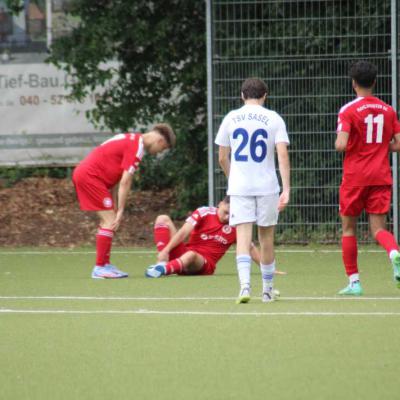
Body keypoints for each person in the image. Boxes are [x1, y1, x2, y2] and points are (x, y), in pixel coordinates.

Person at [214, 77, 290, 303]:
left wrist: (233, 178)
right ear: (265, 95)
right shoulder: (274, 118)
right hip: (267, 186)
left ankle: (245, 287)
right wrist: (286, 188)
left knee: (243, 237)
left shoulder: (231, 117)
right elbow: (282, 154)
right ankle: (267, 290)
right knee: (266, 238)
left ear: (242, 95)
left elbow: (222, 157)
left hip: (240, 187)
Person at [73, 124, 176, 279]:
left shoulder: (132, 139)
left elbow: (115, 179)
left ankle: (104, 264)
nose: (157, 153)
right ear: (160, 141)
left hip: (91, 177)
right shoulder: (137, 146)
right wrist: (121, 210)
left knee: (109, 220)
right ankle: (100, 267)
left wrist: (115, 207)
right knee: (110, 221)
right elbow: (125, 181)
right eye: (161, 150)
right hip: (90, 177)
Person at [335, 61, 400, 295]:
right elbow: (398, 143)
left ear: (353, 83)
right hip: (381, 176)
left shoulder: (348, 110)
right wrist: (380, 146)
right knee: (378, 228)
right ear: (374, 82)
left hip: (355, 177)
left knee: (349, 228)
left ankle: (354, 282)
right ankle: (394, 253)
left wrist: (345, 142)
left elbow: (341, 144)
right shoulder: (388, 109)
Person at [145, 196, 285, 279]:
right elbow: (183, 233)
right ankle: (162, 264)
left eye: (231, 214)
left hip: (204, 264)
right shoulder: (203, 212)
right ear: (220, 204)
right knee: (162, 219)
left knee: (191, 255)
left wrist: (267, 269)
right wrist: (165, 251)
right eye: (226, 212)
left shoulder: (236, 225)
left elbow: (250, 248)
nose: (227, 217)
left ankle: (163, 271)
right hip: (185, 254)